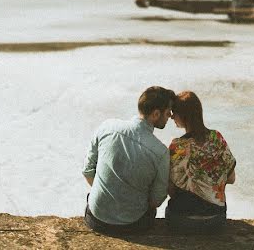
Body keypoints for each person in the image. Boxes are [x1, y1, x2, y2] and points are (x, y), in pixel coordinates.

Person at [82, 86, 175, 234]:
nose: (170, 115)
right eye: (168, 111)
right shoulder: (160, 152)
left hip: (97, 219)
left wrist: (108, 196)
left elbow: (87, 171)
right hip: (133, 225)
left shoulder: (107, 127)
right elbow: (156, 200)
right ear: (156, 114)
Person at [166, 91, 236, 233]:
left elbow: (171, 189)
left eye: (174, 112)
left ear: (183, 116)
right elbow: (231, 178)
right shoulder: (217, 138)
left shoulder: (177, 146)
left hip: (181, 220)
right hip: (215, 220)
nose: (172, 116)